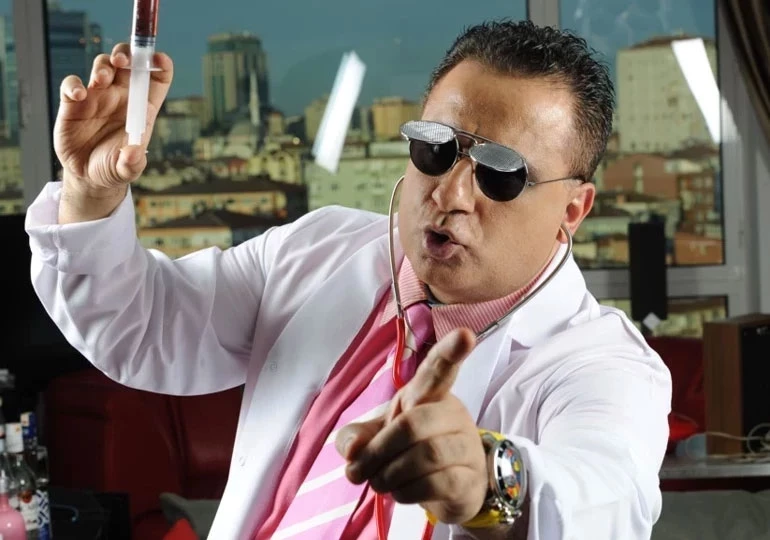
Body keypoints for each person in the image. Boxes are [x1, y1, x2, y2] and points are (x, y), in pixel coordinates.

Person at [26, 19, 671, 540]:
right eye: (435, 149)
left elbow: (607, 499)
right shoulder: (319, 249)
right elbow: (142, 324)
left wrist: (486, 480)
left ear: (572, 211)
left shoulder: (601, 364)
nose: (450, 194)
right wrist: (89, 192)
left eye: (500, 175)